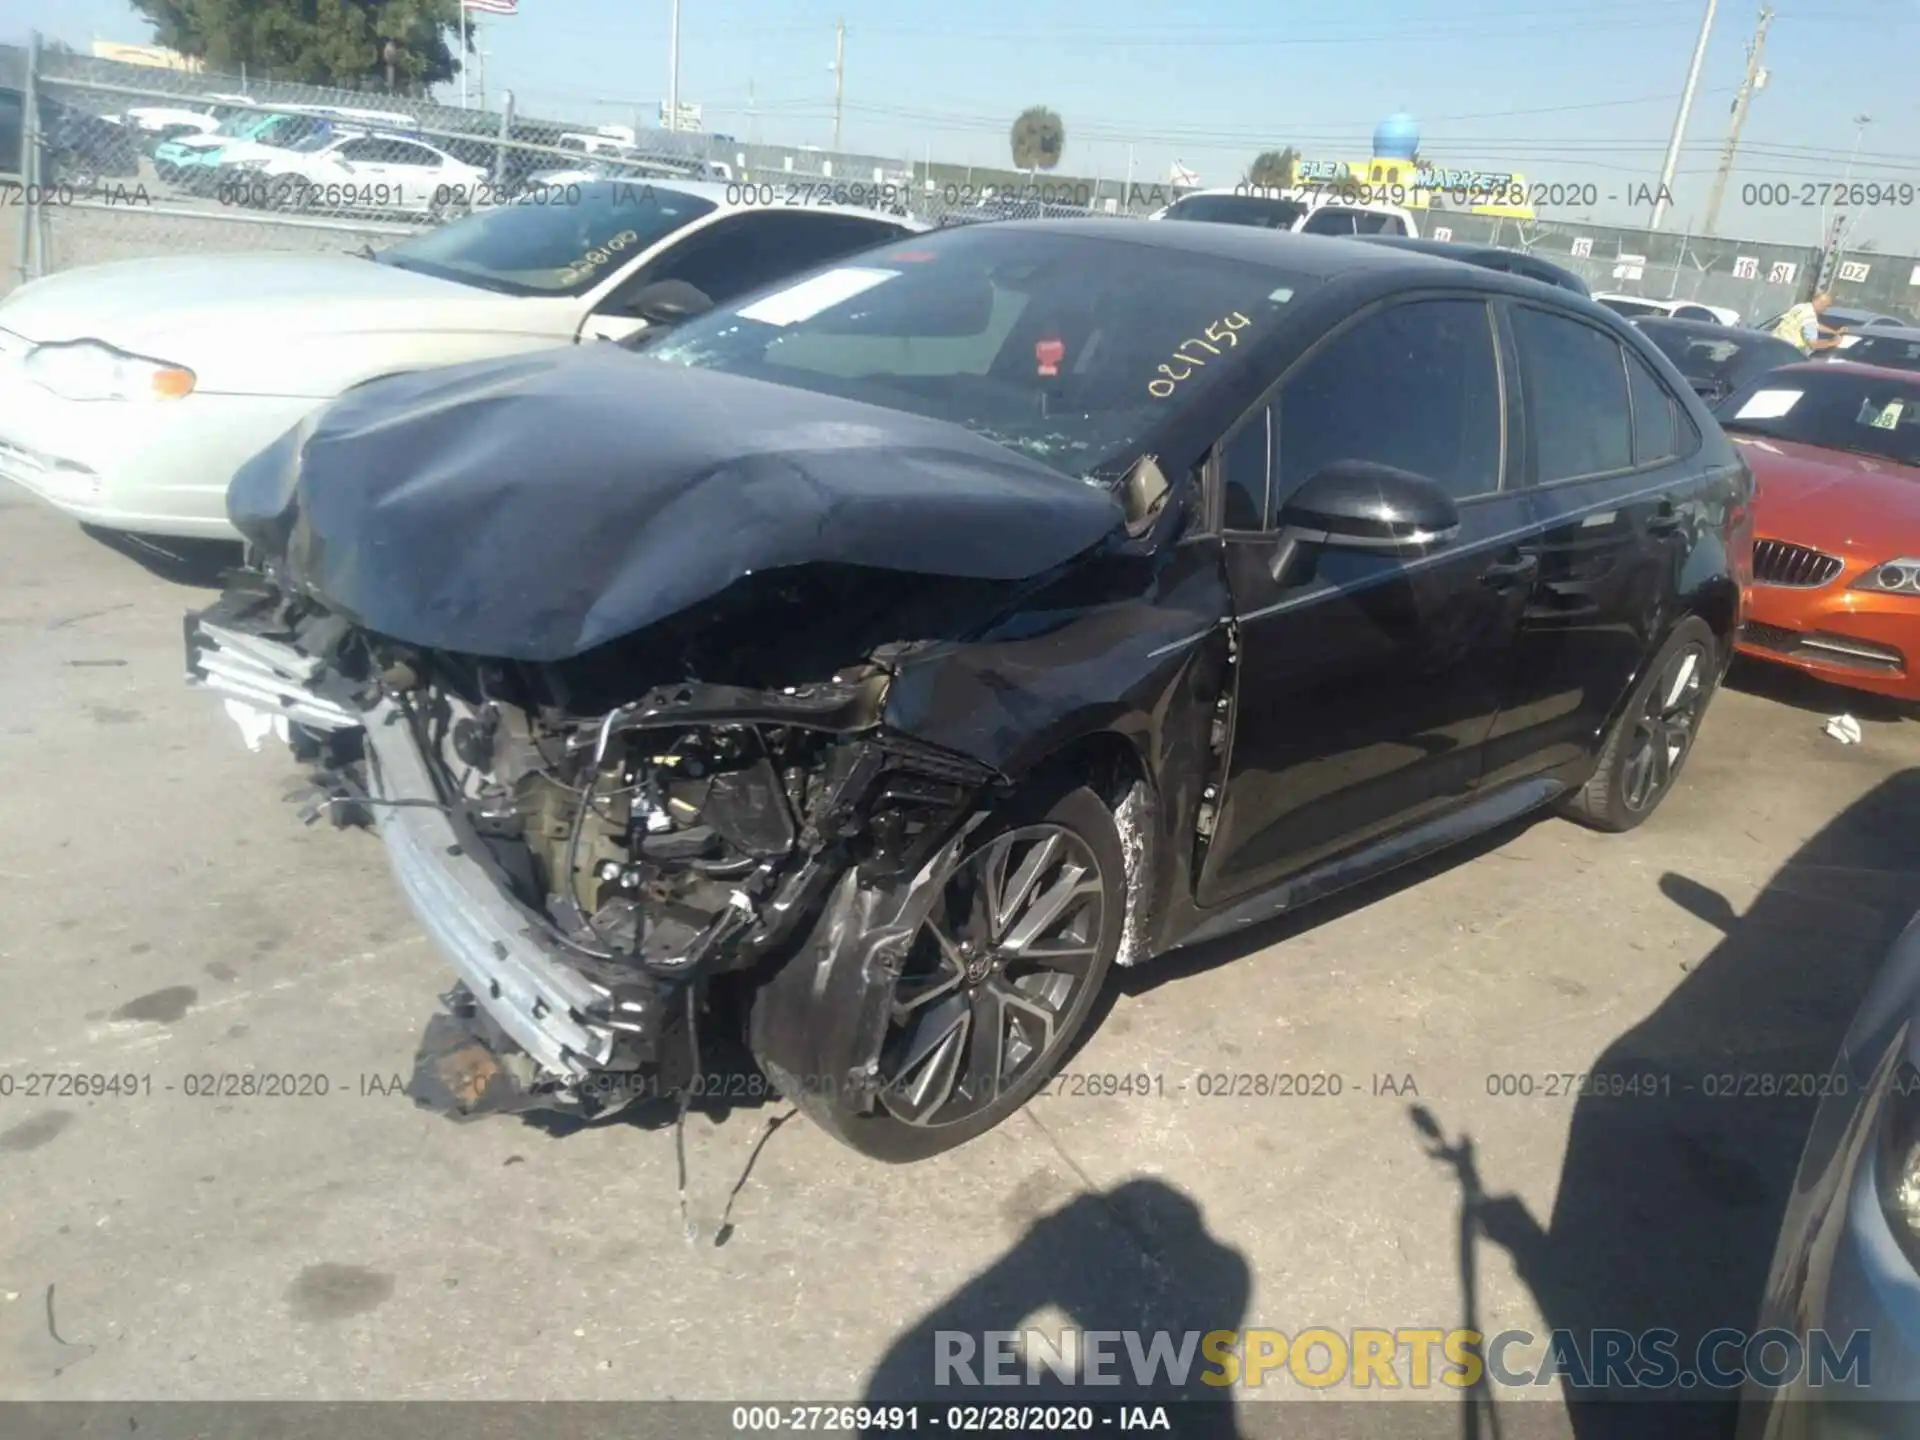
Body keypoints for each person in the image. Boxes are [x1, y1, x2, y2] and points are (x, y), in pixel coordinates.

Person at [1771, 291, 1843, 355]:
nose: (1826, 309)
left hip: (1774, 343)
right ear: (1821, 303)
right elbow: (1813, 345)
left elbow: (1814, 325)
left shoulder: (1801, 307)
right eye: (1826, 306)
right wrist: (1833, 342)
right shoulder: (1810, 317)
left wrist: (1834, 332)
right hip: (1789, 351)